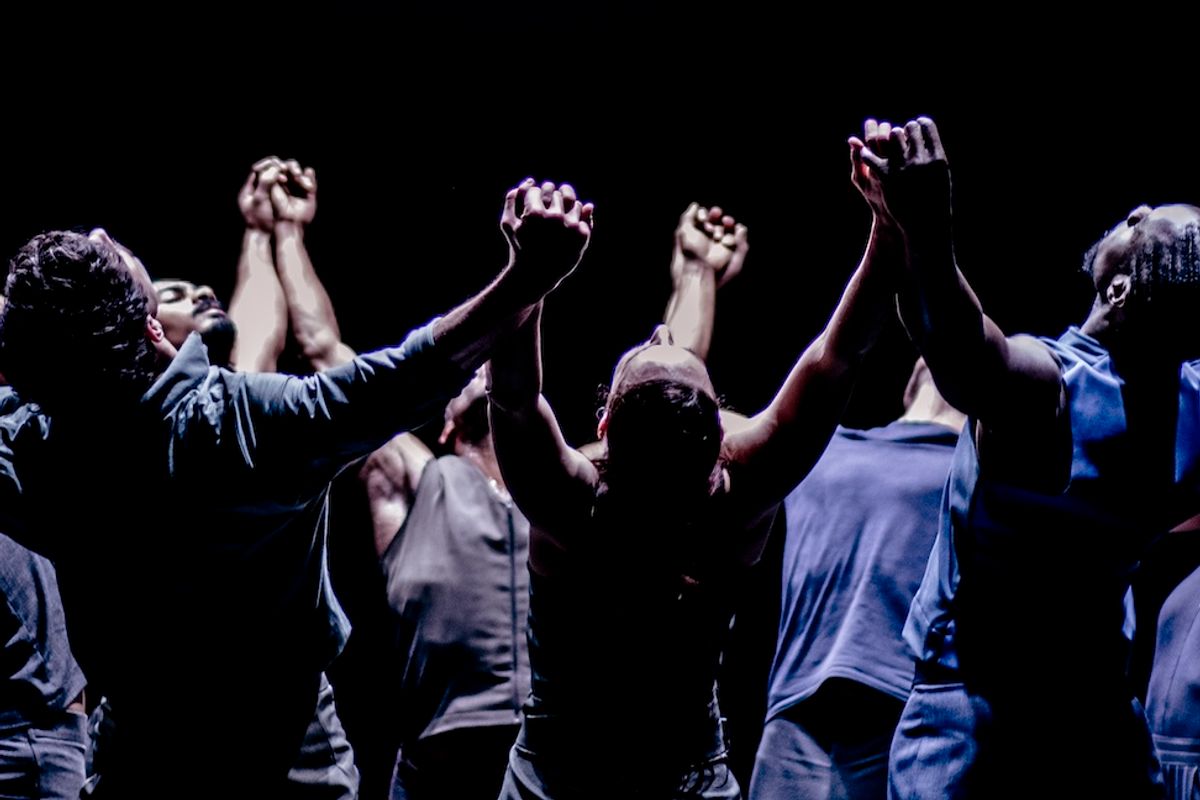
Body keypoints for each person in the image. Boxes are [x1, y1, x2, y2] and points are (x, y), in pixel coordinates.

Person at [0, 176, 593, 798]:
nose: (101, 233)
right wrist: (529, 277)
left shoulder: (32, 453)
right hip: (287, 758)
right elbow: (404, 375)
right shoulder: (242, 429)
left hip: (141, 757)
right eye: (121, 261)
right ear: (154, 332)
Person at [487, 159, 898, 798]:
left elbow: (512, 397)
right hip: (685, 777)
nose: (661, 327)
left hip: (558, 775)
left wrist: (529, 272)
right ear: (721, 440)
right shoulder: (737, 497)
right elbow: (838, 356)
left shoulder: (569, 502)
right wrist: (892, 226)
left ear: (603, 424)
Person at [863, 116, 1200, 798]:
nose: (1132, 212)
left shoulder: (1056, 394)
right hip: (1098, 730)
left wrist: (925, 230)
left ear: (1121, 291)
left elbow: (959, 349)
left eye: (1143, 226)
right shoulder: (1192, 413)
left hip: (977, 728)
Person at [371, 201, 746, 800]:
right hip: (446, 752)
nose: (479, 368)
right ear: (443, 425)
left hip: (561, 749)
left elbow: (668, 416)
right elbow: (334, 372)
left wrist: (697, 274)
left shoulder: (569, 477)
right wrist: (280, 235)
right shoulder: (429, 478)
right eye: (470, 367)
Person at [749, 358, 963, 800]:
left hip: (916, 717)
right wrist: (694, 286)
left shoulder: (988, 473)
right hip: (798, 714)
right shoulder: (825, 448)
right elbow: (691, 419)